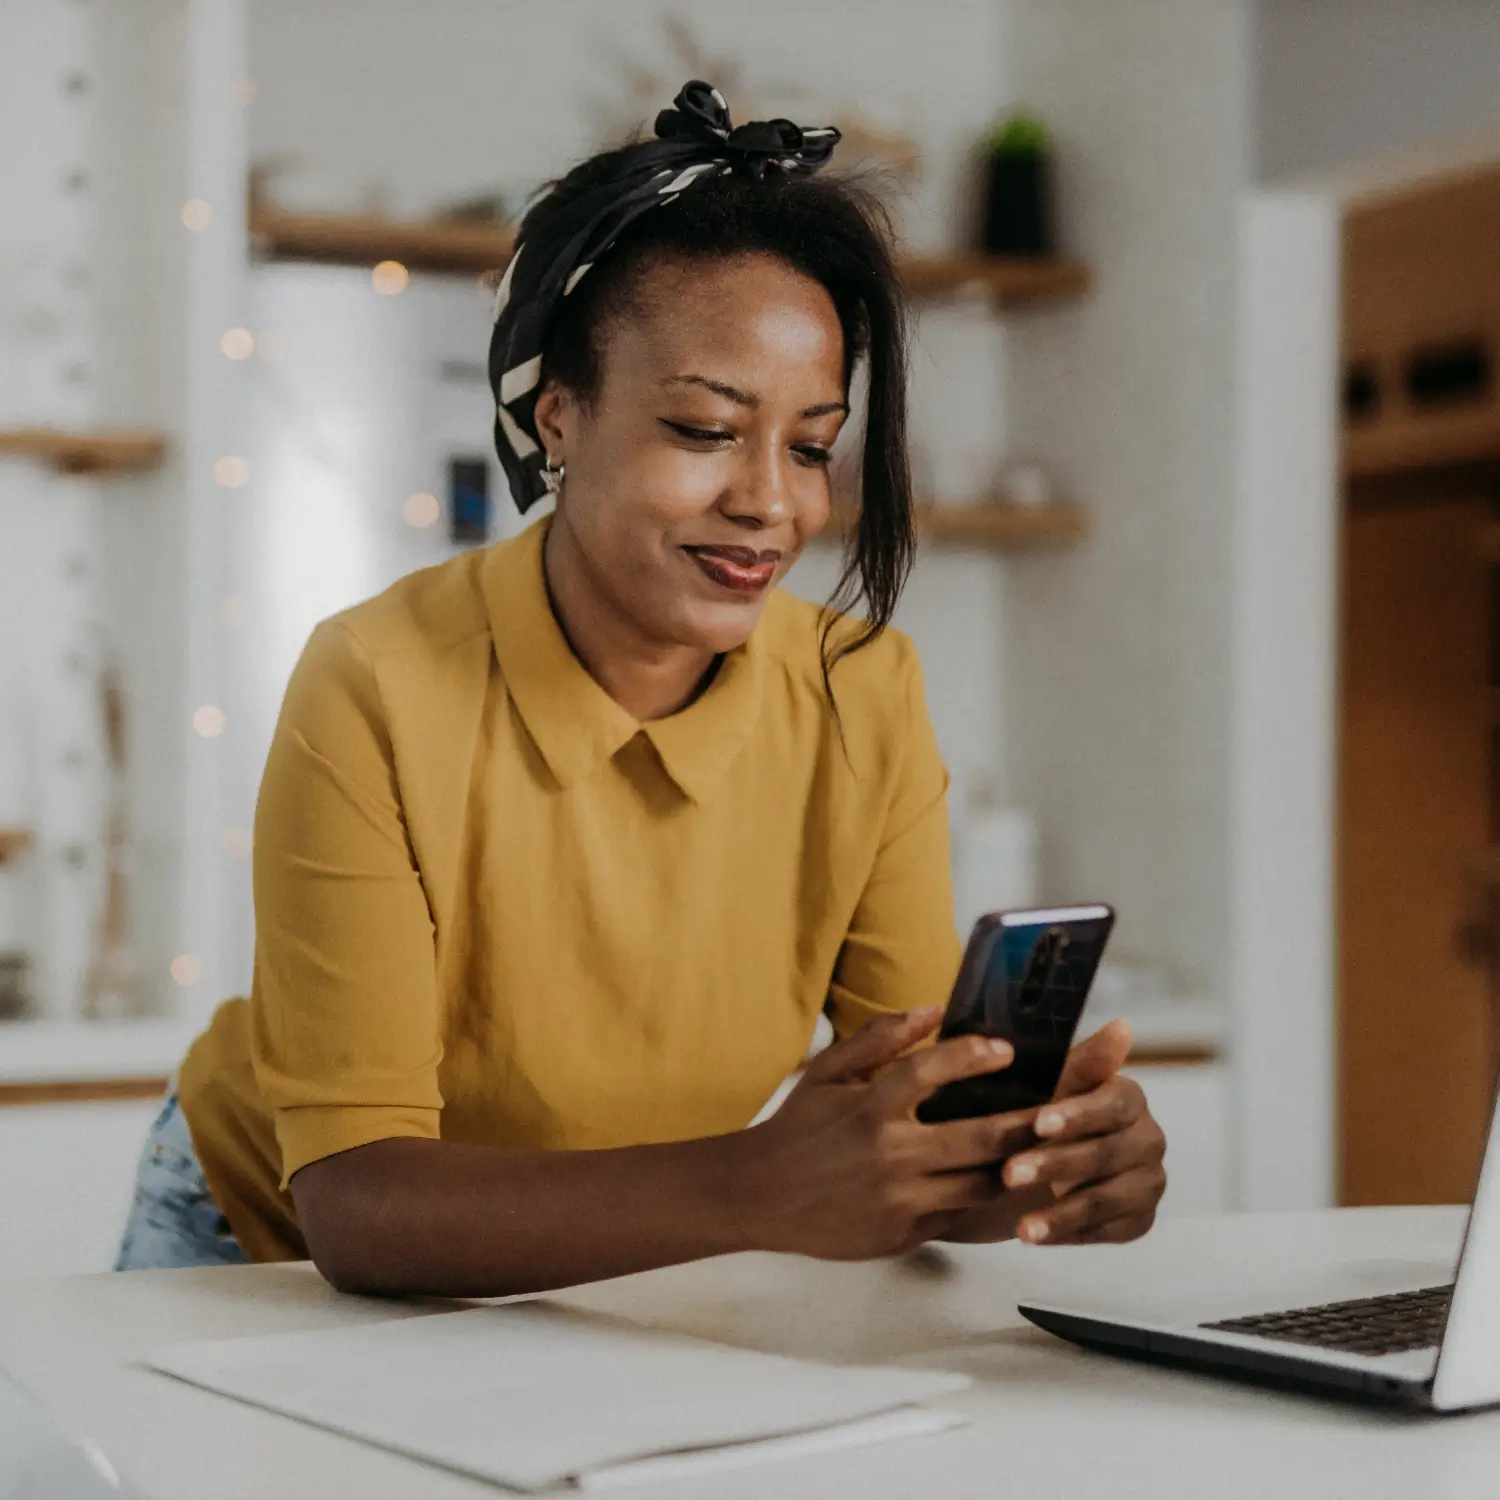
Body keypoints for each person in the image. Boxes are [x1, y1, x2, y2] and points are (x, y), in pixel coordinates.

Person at [115, 82, 1166, 1293]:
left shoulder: (862, 693)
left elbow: (896, 1140)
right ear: (558, 416)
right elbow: (359, 1201)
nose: (773, 501)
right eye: (705, 429)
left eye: (813, 444)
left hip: (617, 1254)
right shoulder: (377, 683)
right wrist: (751, 1187)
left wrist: (1042, 1172)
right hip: (268, 1251)